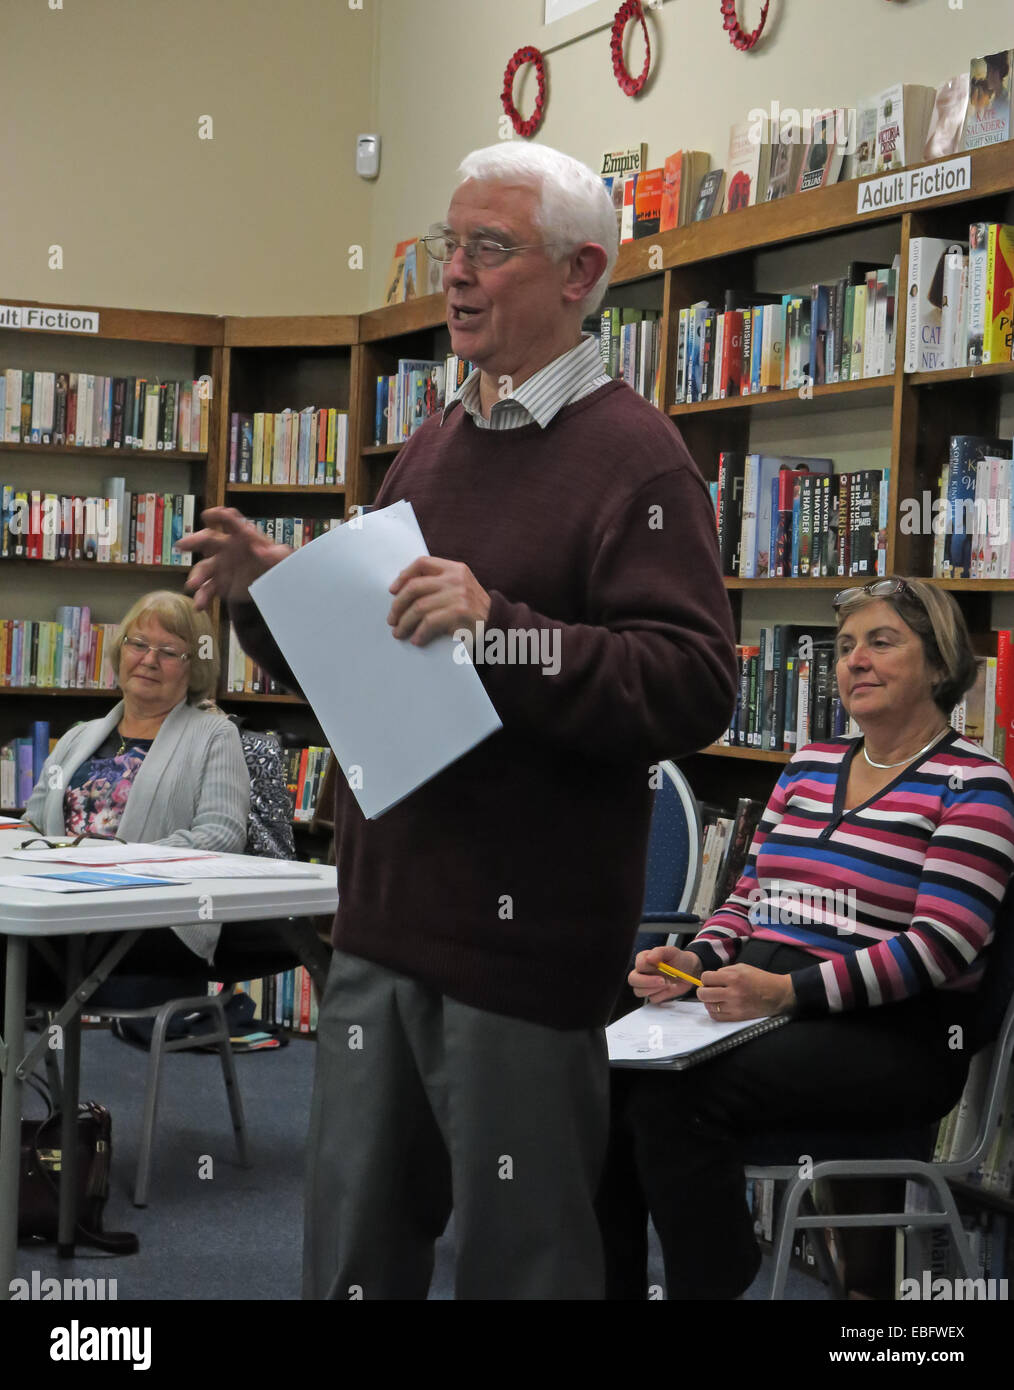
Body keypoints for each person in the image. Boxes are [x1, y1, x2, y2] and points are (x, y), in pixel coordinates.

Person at [179, 142, 738, 1300]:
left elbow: (690, 682)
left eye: (491, 248)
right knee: (351, 1249)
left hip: (520, 955)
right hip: (384, 922)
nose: (458, 274)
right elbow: (374, 654)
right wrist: (273, 593)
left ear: (581, 273)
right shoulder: (436, 436)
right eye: (451, 245)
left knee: (518, 1264)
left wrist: (502, 629)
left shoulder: (641, 461)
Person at [597, 576, 1014, 1299]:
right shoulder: (812, 763)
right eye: (847, 647)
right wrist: (696, 959)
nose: (855, 660)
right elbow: (749, 896)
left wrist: (790, 992)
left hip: (896, 1030)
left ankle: (714, 1281)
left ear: (940, 663)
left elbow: (941, 946)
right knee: (600, 1064)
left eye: (882, 643)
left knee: (675, 1098)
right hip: (765, 993)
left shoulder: (973, 783)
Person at [24, 590, 250, 985]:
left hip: (153, 919)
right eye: (139, 644)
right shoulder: (80, 737)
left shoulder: (215, 734)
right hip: (59, 910)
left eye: (168, 651)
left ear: (192, 667)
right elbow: (33, 825)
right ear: (120, 651)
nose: (149, 660)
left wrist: (120, 864)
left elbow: (222, 837)